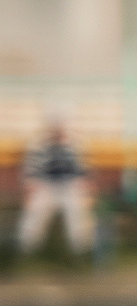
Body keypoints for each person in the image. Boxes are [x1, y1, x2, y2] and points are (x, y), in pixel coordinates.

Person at [15, 112, 96, 262]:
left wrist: (87, 191)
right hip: (45, 186)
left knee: (77, 210)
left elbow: (85, 172)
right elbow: (30, 171)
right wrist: (30, 188)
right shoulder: (38, 144)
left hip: (70, 186)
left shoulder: (77, 144)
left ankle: (80, 252)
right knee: (36, 209)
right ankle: (27, 250)